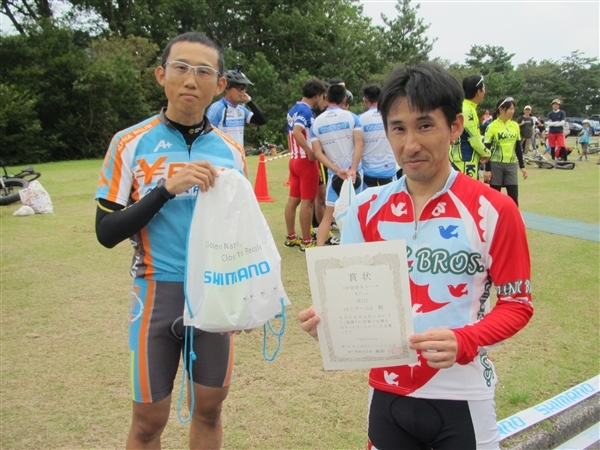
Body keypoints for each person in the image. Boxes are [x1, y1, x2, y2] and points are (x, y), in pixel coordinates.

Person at [299, 62, 533, 450]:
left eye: (425, 126)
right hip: (386, 395)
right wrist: (328, 319)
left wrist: (466, 339)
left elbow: (518, 304)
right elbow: (352, 293)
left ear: (455, 126)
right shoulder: (365, 209)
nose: (410, 145)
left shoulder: (494, 210)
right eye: (398, 128)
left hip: (463, 396)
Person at [95, 32, 248, 449]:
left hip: (212, 294)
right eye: (180, 67)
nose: (190, 80)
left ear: (219, 85)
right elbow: (106, 232)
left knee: (211, 409)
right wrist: (165, 189)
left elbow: (239, 234)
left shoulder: (231, 152)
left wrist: (246, 298)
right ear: (161, 74)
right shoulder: (128, 143)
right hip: (156, 291)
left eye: (203, 71)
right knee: (148, 422)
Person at [310, 82, 363, 247]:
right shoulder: (353, 118)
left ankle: (319, 252)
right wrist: (353, 168)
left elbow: (318, 153)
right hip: (355, 174)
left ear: (326, 98)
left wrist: (336, 170)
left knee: (328, 215)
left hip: (335, 177)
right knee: (358, 214)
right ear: (344, 98)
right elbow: (360, 144)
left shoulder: (316, 123)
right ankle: (359, 250)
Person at [284, 78, 328, 251]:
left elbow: (290, 133)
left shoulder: (293, 109)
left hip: (294, 160)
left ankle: (291, 236)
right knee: (307, 202)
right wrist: (310, 151)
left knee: (293, 200)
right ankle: (307, 241)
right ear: (316, 95)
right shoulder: (306, 111)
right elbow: (296, 132)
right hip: (305, 161)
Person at [206, 65, 267, 148]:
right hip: (222, 158)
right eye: (239, 88)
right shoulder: (217, 108)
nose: (242, 91)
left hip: (239, 158)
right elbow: (206, 136)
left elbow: (261, 121)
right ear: (226, 88)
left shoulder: (241, 109)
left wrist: (249, 102)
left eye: (244, 88)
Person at [484, 97, 528, 206]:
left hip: (511, 164)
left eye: (513, 109)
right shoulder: (492, 126)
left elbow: (518, 147)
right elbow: (486, 149)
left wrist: (522, 166)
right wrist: (488, 169)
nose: (512, 112)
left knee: (513, 198)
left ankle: (513, 221)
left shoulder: (515, 126)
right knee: (494, 198)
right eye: (510, 109)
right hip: (496, 164)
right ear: (502, 109)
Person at [449, 75, 490, 179]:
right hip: (465, 159)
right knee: (467, 194)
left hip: (460, 158)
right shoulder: (468, 111)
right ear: (479, 91)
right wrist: (486, 152)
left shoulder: (465, 106)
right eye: (484, 88)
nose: (485, 91)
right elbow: (474, 138)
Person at [360, 84, 397, 188]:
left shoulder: (360, 119)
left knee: (371, 203)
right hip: (389, 170)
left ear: (366, 99)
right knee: (390, 203)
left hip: (368, 172)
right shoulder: (391, 116)